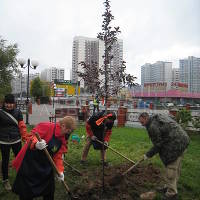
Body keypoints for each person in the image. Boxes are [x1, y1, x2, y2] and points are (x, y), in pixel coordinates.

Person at [12, 116, 76, 200]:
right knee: (26, 192)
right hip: (31, 163)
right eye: (68, 131)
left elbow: (58, 156)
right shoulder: (47, 126)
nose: (68, 133)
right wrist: (36, 144)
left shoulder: (62, 138)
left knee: (49, 190)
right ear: (63, 125)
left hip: (46, 165)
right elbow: (31, 136)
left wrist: (60, 171)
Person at [138, 112, 190, 200]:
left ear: (146, 118)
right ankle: (169, 186)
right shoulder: (156, 117)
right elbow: (172, 118)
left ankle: (172, 193)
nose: (142, 125)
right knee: (176, 169)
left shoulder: (152, 126)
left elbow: (158, 145)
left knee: (171, 169)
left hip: (176, 145)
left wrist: (147, 155)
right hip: (183, 140)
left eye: (142, 122)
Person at [0, 94, 28, 191]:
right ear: (4, 103)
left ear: (14, 104)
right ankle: (5, 180)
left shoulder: (18, 112)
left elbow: (22, 126)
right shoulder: (1, 113)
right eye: (7, 103)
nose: (9, 105)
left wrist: (24, 137)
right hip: (3, 141)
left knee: (20, 159)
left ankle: (22, 177)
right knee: (5, 160)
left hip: (16, 140)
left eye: (11, 103)